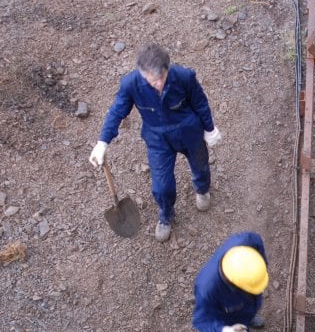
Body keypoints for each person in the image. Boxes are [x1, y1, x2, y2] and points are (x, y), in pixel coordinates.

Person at [88, 43, 222, 243]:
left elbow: (201, 103)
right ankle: (166, 214)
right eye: (153, 81)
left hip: (189, 131)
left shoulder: (184, 77)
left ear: (167, 68)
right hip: (157, 139)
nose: (159, 84)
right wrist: (102, 142)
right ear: (143, 75)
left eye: (162, 78)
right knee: (161, 186)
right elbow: (117, 112)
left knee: (201, 167)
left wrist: (209, 129)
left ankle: (202, 189)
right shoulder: (131, 84)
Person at [192, 231, 269, 332]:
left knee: (252, 304)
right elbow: (201, 320)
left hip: (246, 300)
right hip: (230, 316)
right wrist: (224, 331)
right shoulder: (208, 290)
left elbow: (257, 241)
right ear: (234, 284)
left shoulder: (246, 242)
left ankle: (250, 317)